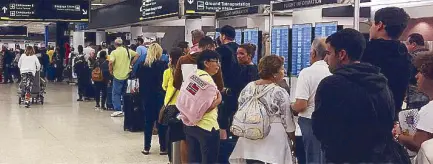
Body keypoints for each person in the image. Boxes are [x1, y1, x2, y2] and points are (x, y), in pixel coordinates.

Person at [313, 28, 410, 163]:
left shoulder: (332, 84)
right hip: (380, 157)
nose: (326, 59)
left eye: (329, 53)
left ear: (342, 54)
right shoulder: (381, 82)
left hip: (344, 157)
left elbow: (321, 128)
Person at [229, 55, 296, 164]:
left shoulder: (248, 87)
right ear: (275, 73)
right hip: (273, 139)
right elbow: (287, 120)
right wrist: (293, 138)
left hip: (249, 136)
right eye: (282, 69)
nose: (283, 72)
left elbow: (240, 107)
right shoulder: (279, 92)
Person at [361, 7, 411, 117]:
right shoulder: (404, 54)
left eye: (373, 24)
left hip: (364, 116)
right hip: (392, 116)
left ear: (380, 25)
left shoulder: (364, 51)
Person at [291, 38, 331, 163]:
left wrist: (291, 107)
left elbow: (301, 104)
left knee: (312, 158)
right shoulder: (334, 72)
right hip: (330, 122)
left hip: (309, 123)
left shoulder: (307, 73)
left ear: (313, 53)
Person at [184, 50, 222, 164]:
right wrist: (219, 100)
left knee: (194, 159)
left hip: (190, 124)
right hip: (207, 126)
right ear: (206, 63)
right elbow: (207, 106)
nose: (218, 65)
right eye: (216, 62)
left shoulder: (192, 76)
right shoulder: (208, 81)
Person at [394, 52, 433, 152]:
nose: (416, 76)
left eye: (420, 71)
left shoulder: (430, 110)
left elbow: (418, 144)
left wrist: (398, 134)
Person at [137, 43, 168, 155]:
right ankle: (163, 148)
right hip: (160, 96)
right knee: (161, 122)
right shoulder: (163, 65)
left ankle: (146, 147)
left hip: (147, 97)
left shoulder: (142, 65)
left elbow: (139, 81)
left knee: (148, 123)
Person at [162, 47, 188, 163]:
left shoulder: (168, 72)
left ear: (171, 58)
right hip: (183, 104)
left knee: (170, 131)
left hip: (171, 104)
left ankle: (171, 157)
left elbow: (164, 86)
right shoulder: (186, 71)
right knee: (182, 133)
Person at [216, 25, 241, 139]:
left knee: (223, 120)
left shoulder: (220, 51)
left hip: (224, 89)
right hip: (239, 90)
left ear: (223, 36)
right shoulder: (240, 49)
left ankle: (224, 146)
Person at [109, 38, 139, 117]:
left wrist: (110, 70)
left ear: (115, 44)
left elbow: (111, 62)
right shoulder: (128, 51)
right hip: (127, 75)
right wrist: (131, 63)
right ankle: (126, 109)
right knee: (125, 93)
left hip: (117, 75)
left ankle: (118, 109)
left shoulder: (114, 52)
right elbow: (137, 55)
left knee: (116, 93)